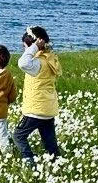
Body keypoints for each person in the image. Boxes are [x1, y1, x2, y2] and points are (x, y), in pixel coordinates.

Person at [12, 25, 61, 166]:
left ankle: (29, 162)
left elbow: (22, 63)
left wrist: (33, 47)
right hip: (49, 108)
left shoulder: (37, 63)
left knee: (18, 136)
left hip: (36, 109)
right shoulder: (50, 59)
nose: (24, 51)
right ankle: (57, 163)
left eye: (24, 48)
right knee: (49, 142)